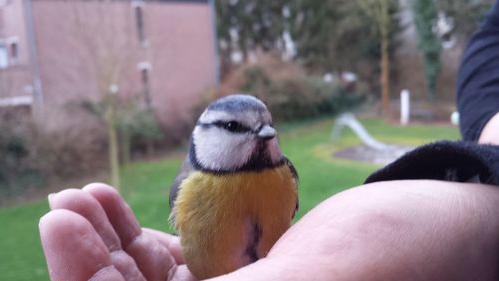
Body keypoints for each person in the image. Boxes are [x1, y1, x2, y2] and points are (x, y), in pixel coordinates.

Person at [39, 2, 499, 280]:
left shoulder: (285, 178)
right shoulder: (190, 189)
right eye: (236, 129)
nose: (261, 134)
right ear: (204, 140)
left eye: (264, 125)